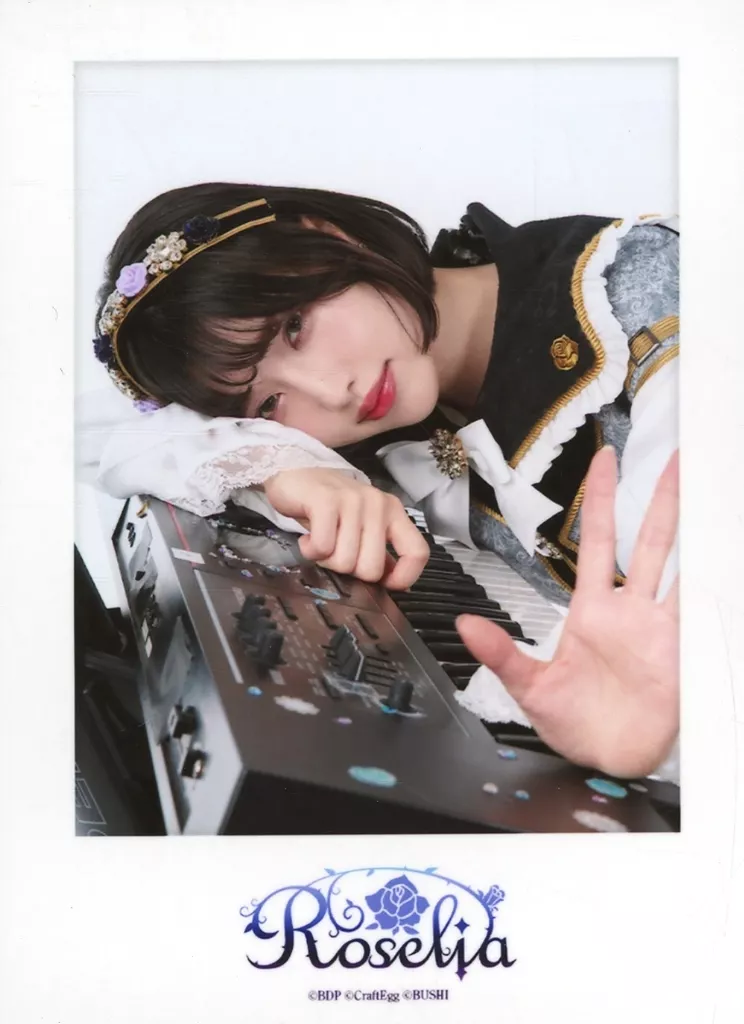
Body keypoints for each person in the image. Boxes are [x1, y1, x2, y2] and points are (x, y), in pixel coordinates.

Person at [79, 182, 679, 780]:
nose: (329, 392)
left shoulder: (649, 297)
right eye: (268, 404)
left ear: (328, 237)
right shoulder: (394, 423)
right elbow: (85, 435)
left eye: (294, 327)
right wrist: (283, 465)